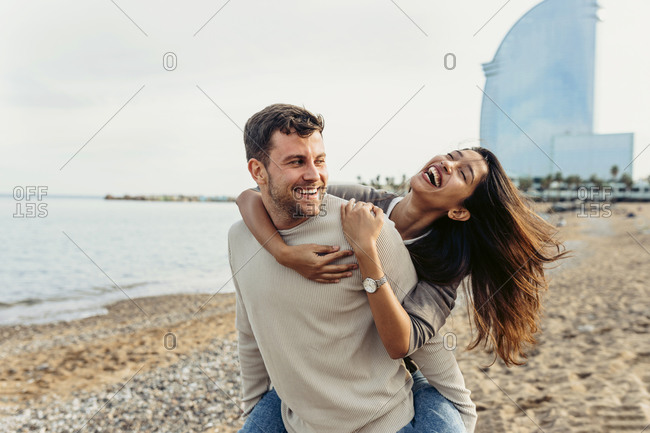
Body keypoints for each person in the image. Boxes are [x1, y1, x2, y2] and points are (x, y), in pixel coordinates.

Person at [229, 103, 473, 433]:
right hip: (299, 419)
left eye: (319, 160)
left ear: (460, 212)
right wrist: (254, 409)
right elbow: (250, 327)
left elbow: (423, 340)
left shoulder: (375, 232)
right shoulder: (242, 238)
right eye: (296, 161)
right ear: (258, 171)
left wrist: (461, 411)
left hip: (385, 412)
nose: (314, 174)